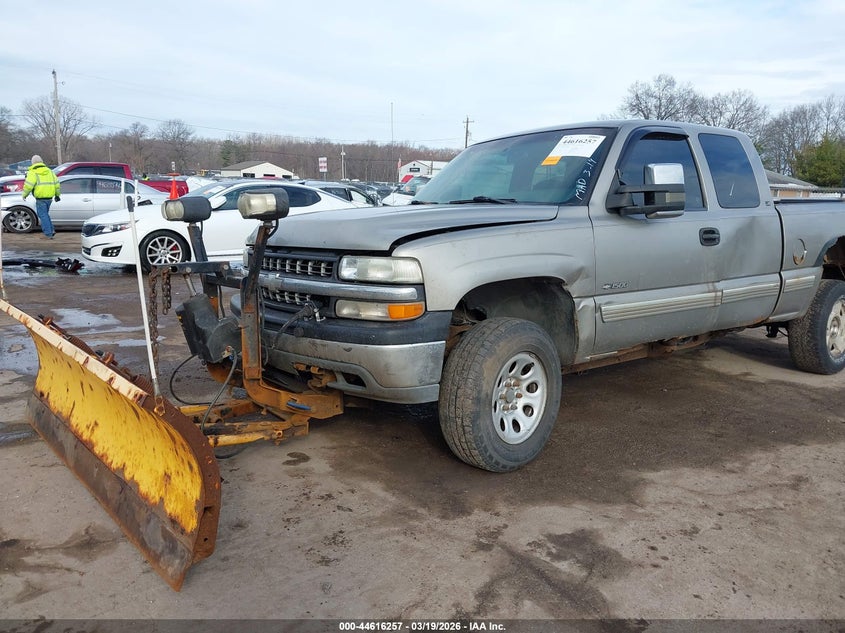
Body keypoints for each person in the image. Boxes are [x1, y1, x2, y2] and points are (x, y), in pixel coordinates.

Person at [21, 155, 61, 239]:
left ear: (33, 163)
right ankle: (51, 230)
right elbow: (57, 184)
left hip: (40, 199)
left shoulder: (33, 172)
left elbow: (28, 186)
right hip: (49, 198)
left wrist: (24, 195)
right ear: (41, 161)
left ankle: (48, 233)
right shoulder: (50, 171)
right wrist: (57, 195)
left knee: (43, 215)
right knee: (45, 215)